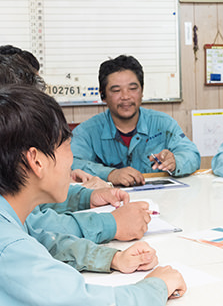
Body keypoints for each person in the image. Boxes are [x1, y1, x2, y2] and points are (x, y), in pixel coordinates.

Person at [0, 85, 186, 306]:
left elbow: (46, 241)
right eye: (67, 148)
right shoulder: (7, 250)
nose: (72, 162)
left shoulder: (9, 216)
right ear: (36, 161)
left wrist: (110, 258)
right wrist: (159, 285)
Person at [0, 53, 154, 243]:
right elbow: (39, 229)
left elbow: (36, 209)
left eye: (133, 88)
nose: (125, 97)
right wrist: (111, 224)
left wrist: (86, 197)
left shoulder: (162, 121)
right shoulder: (11, 235)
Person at [71, 55, 200, 186]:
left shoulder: (164, 123)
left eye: (133, 89)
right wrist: (110, 174)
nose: (126, 96)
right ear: (103, 96)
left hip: (159, 199)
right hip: (109, 202)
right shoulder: (86, 131)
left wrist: (175, 161)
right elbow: (71, 163)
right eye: (116, 90)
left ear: (142, 91)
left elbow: (192, 155)